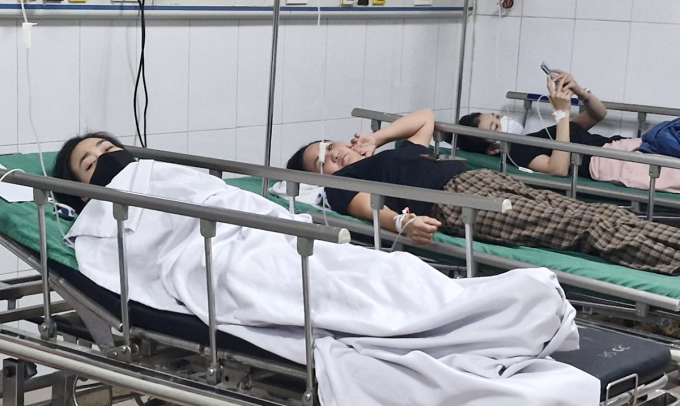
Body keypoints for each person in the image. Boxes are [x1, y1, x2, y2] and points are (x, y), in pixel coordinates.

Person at [52, 132, 599, 406]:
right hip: (217, 259)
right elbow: (138, 258)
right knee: (324, 288)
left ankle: (484, 310)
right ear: (79, 190)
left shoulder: (166, 173)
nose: (107, 158)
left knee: (383, 274)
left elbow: (239, 204)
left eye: (109, 147)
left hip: (271, 237)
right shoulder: (101, 217)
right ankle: (485, 317)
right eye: (91, 163)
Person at [287, 109, 680, 275]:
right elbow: (369, 210)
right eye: (321, 162)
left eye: (329, 146)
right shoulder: (341, 188)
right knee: (583, 227)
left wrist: (377, 138)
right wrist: (404, 224)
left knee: (601, 214)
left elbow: (425, 118)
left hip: (483, 181)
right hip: (460, 205)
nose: (333, 154)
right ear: (320, 178)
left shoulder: (392, 153)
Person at [456, 71, 680, 192]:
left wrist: (580, 92)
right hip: (610, 163)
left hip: (630, 146)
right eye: (496, 126)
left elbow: (597, 114)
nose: (503, 120)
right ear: (492, 150)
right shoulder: (515, 151)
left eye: (497, 117)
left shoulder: (538, 136)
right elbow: (558, 169)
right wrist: (561, 114)